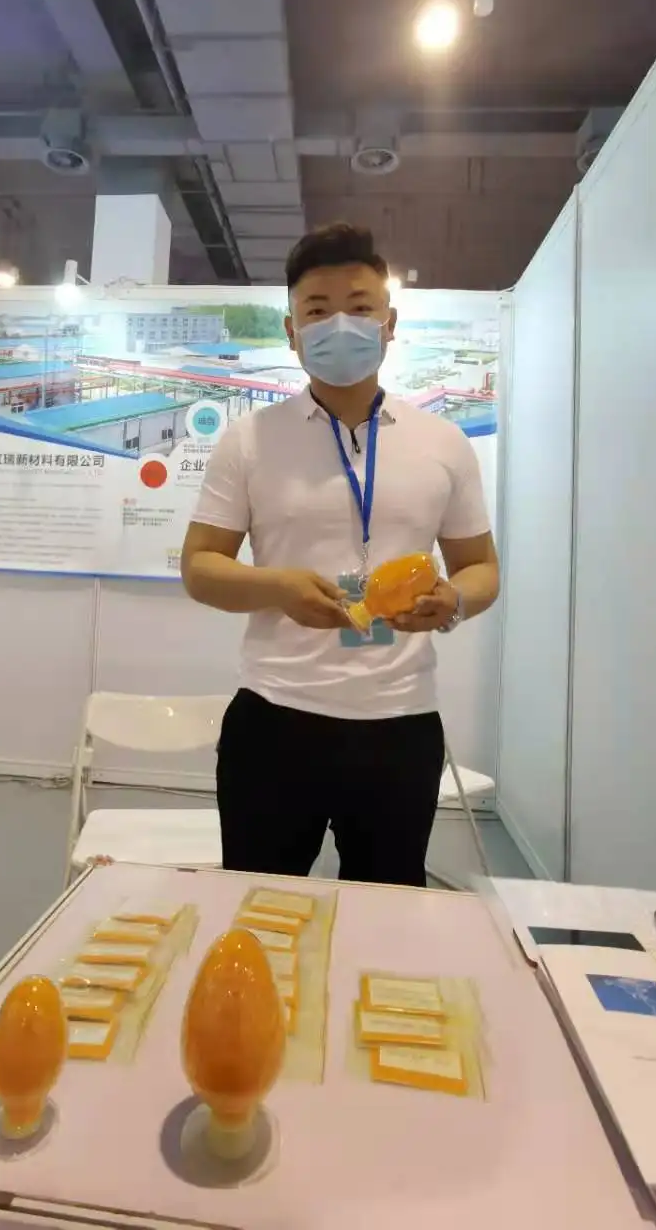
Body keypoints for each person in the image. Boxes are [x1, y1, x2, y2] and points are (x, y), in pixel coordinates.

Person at [181, 222, 500, 886]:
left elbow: (482, 568)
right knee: (260, 905)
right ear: (291, 331)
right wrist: (278, 588)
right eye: (318, 311)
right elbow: (201, 568)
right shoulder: (248, 440)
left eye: (359, 307)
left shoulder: (442, 443)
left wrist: (452, 601)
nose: (339, 326)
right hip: (275, 718)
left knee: (387, 912)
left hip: (400, 723)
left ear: (389, 323)